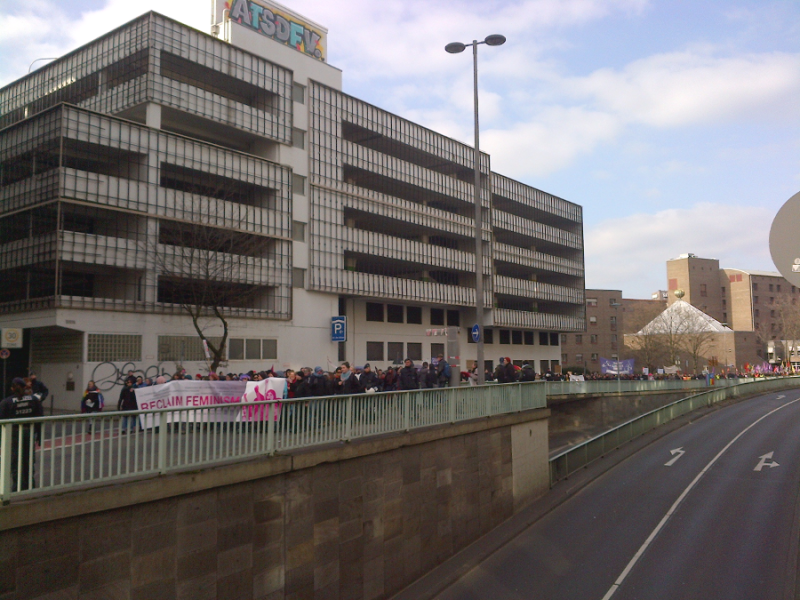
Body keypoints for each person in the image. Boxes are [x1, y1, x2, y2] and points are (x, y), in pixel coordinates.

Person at [0, 377, 44, 491]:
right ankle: (30, 485)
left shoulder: (7, 402)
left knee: (16, 460)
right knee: (29, 459)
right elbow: (39, 417)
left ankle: (17, 486)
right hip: (29, 432)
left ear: (13, 388)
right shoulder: (34, 400)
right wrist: (39, 435)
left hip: (14, 434)